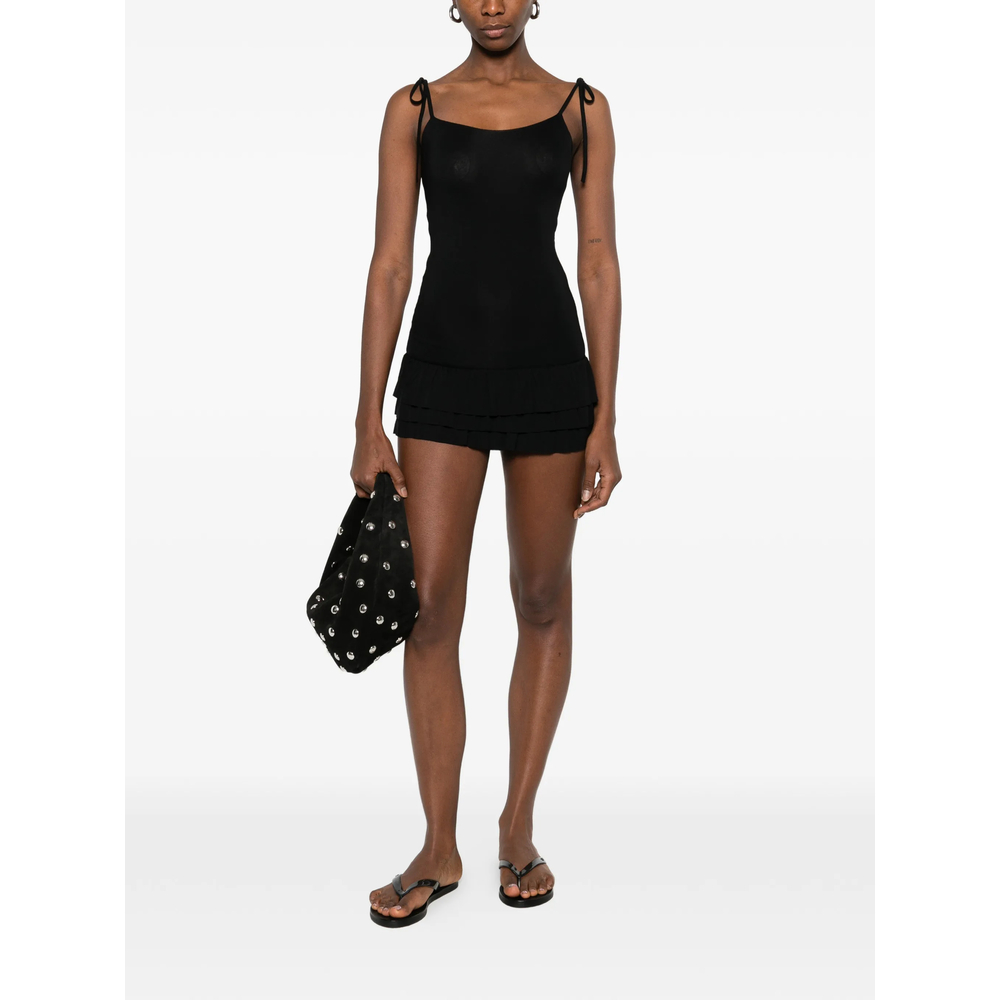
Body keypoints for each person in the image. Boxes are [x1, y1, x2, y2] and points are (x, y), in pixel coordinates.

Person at [353, 0, 622, 926]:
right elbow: (391, 264)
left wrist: (607, 417)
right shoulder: (415, 108)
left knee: (541, 598)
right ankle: (439, 845)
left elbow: (597, 259)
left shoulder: (583, 108)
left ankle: (517, 823)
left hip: (551, 377)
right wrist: (367, 418)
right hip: (440, 375)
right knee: (429, 609)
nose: (494, 4)